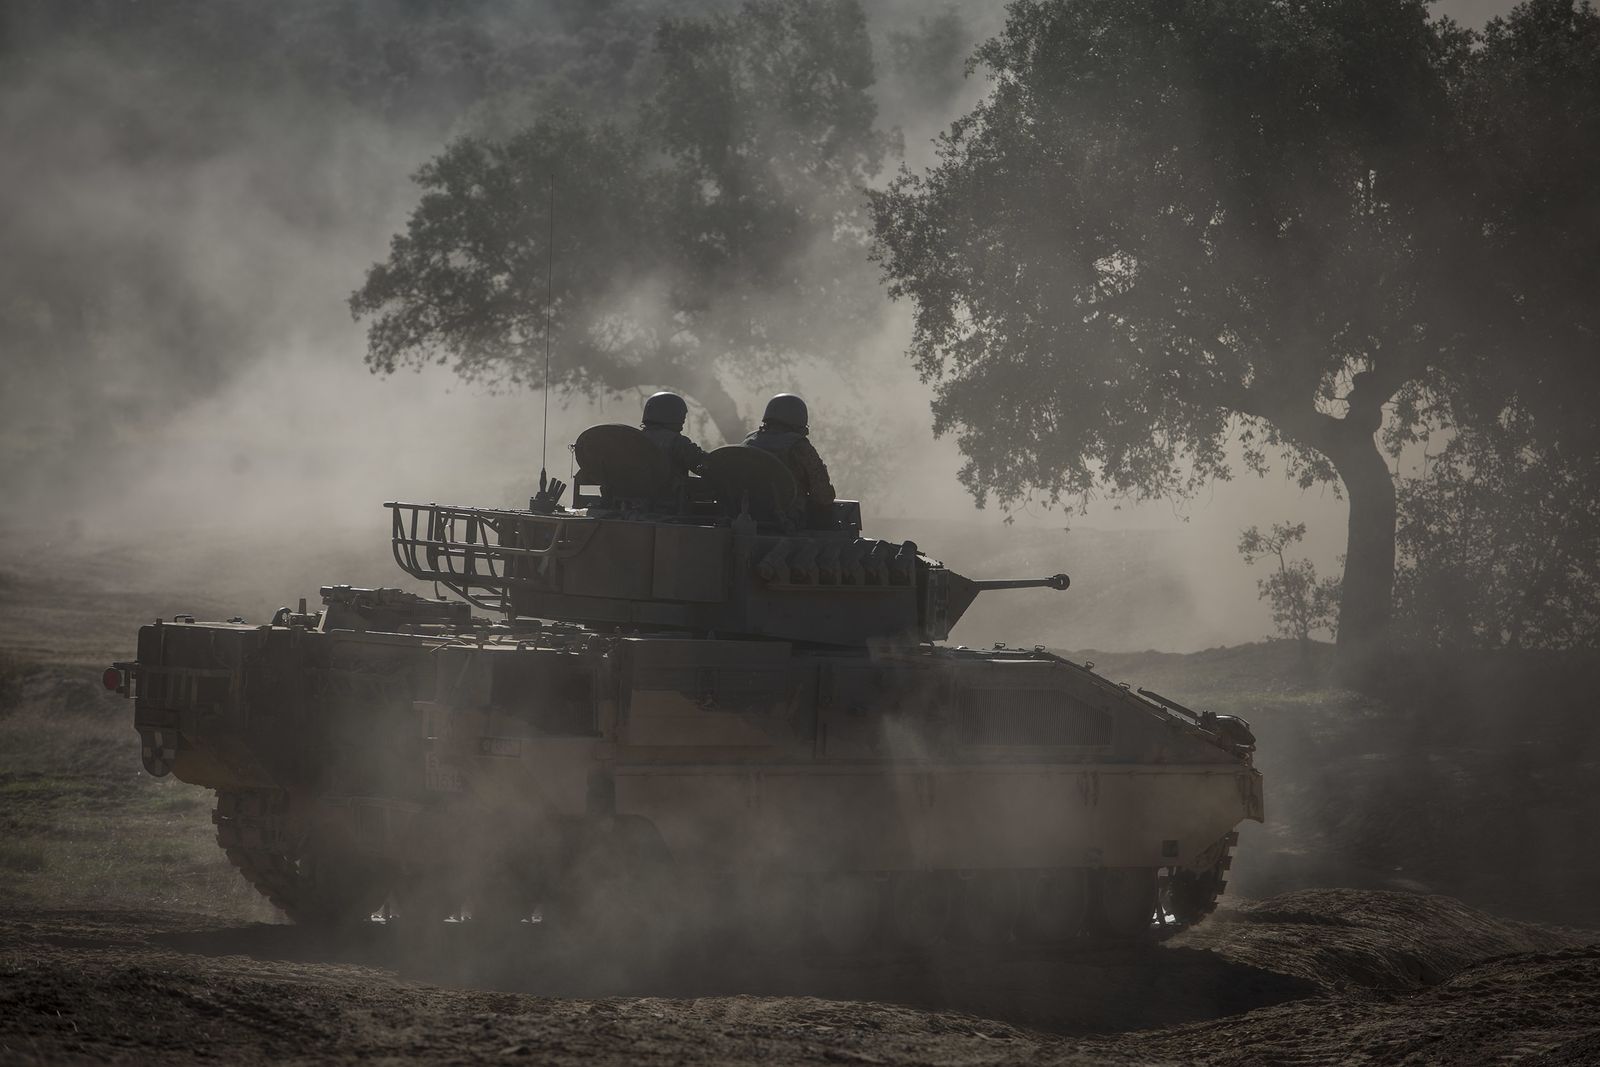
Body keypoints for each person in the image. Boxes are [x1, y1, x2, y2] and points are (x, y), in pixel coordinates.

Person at [744, 393, 836, 528]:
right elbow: (823, 496)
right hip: (788, 522)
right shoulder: (800, 447)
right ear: (799, 421)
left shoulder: (749, 442)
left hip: (745, 516)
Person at [639, 391, 708, 481]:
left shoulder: (634, 439)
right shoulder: (676, 441)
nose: (683, 419)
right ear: (670, 413)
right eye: (681, 414)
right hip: (667, 494)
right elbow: (704, 465)